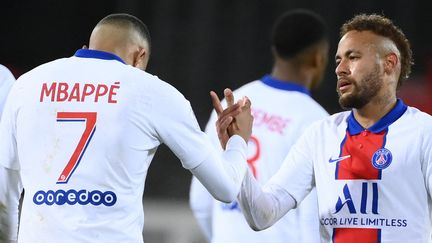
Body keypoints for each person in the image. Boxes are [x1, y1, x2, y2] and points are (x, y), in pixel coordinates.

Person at [0, 13, 253, 242]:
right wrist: (237, 141)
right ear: (139, 56)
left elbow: (5, 194)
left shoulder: (27, 85)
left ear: (86, 48)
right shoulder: (153, 91)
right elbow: (226, 188)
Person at [214, 13, 432, 243]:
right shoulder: (320, 135)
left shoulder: (423, 132)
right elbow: (262, 215)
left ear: (389, 63)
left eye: (353, 57)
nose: (340, 69)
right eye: (338, 60)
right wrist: (236, 147)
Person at [189, 9, 329, 243]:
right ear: (319, 58)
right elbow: (312, 217)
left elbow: (200, 199)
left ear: (274, 50)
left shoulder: (233, 102)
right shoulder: (317, 122)